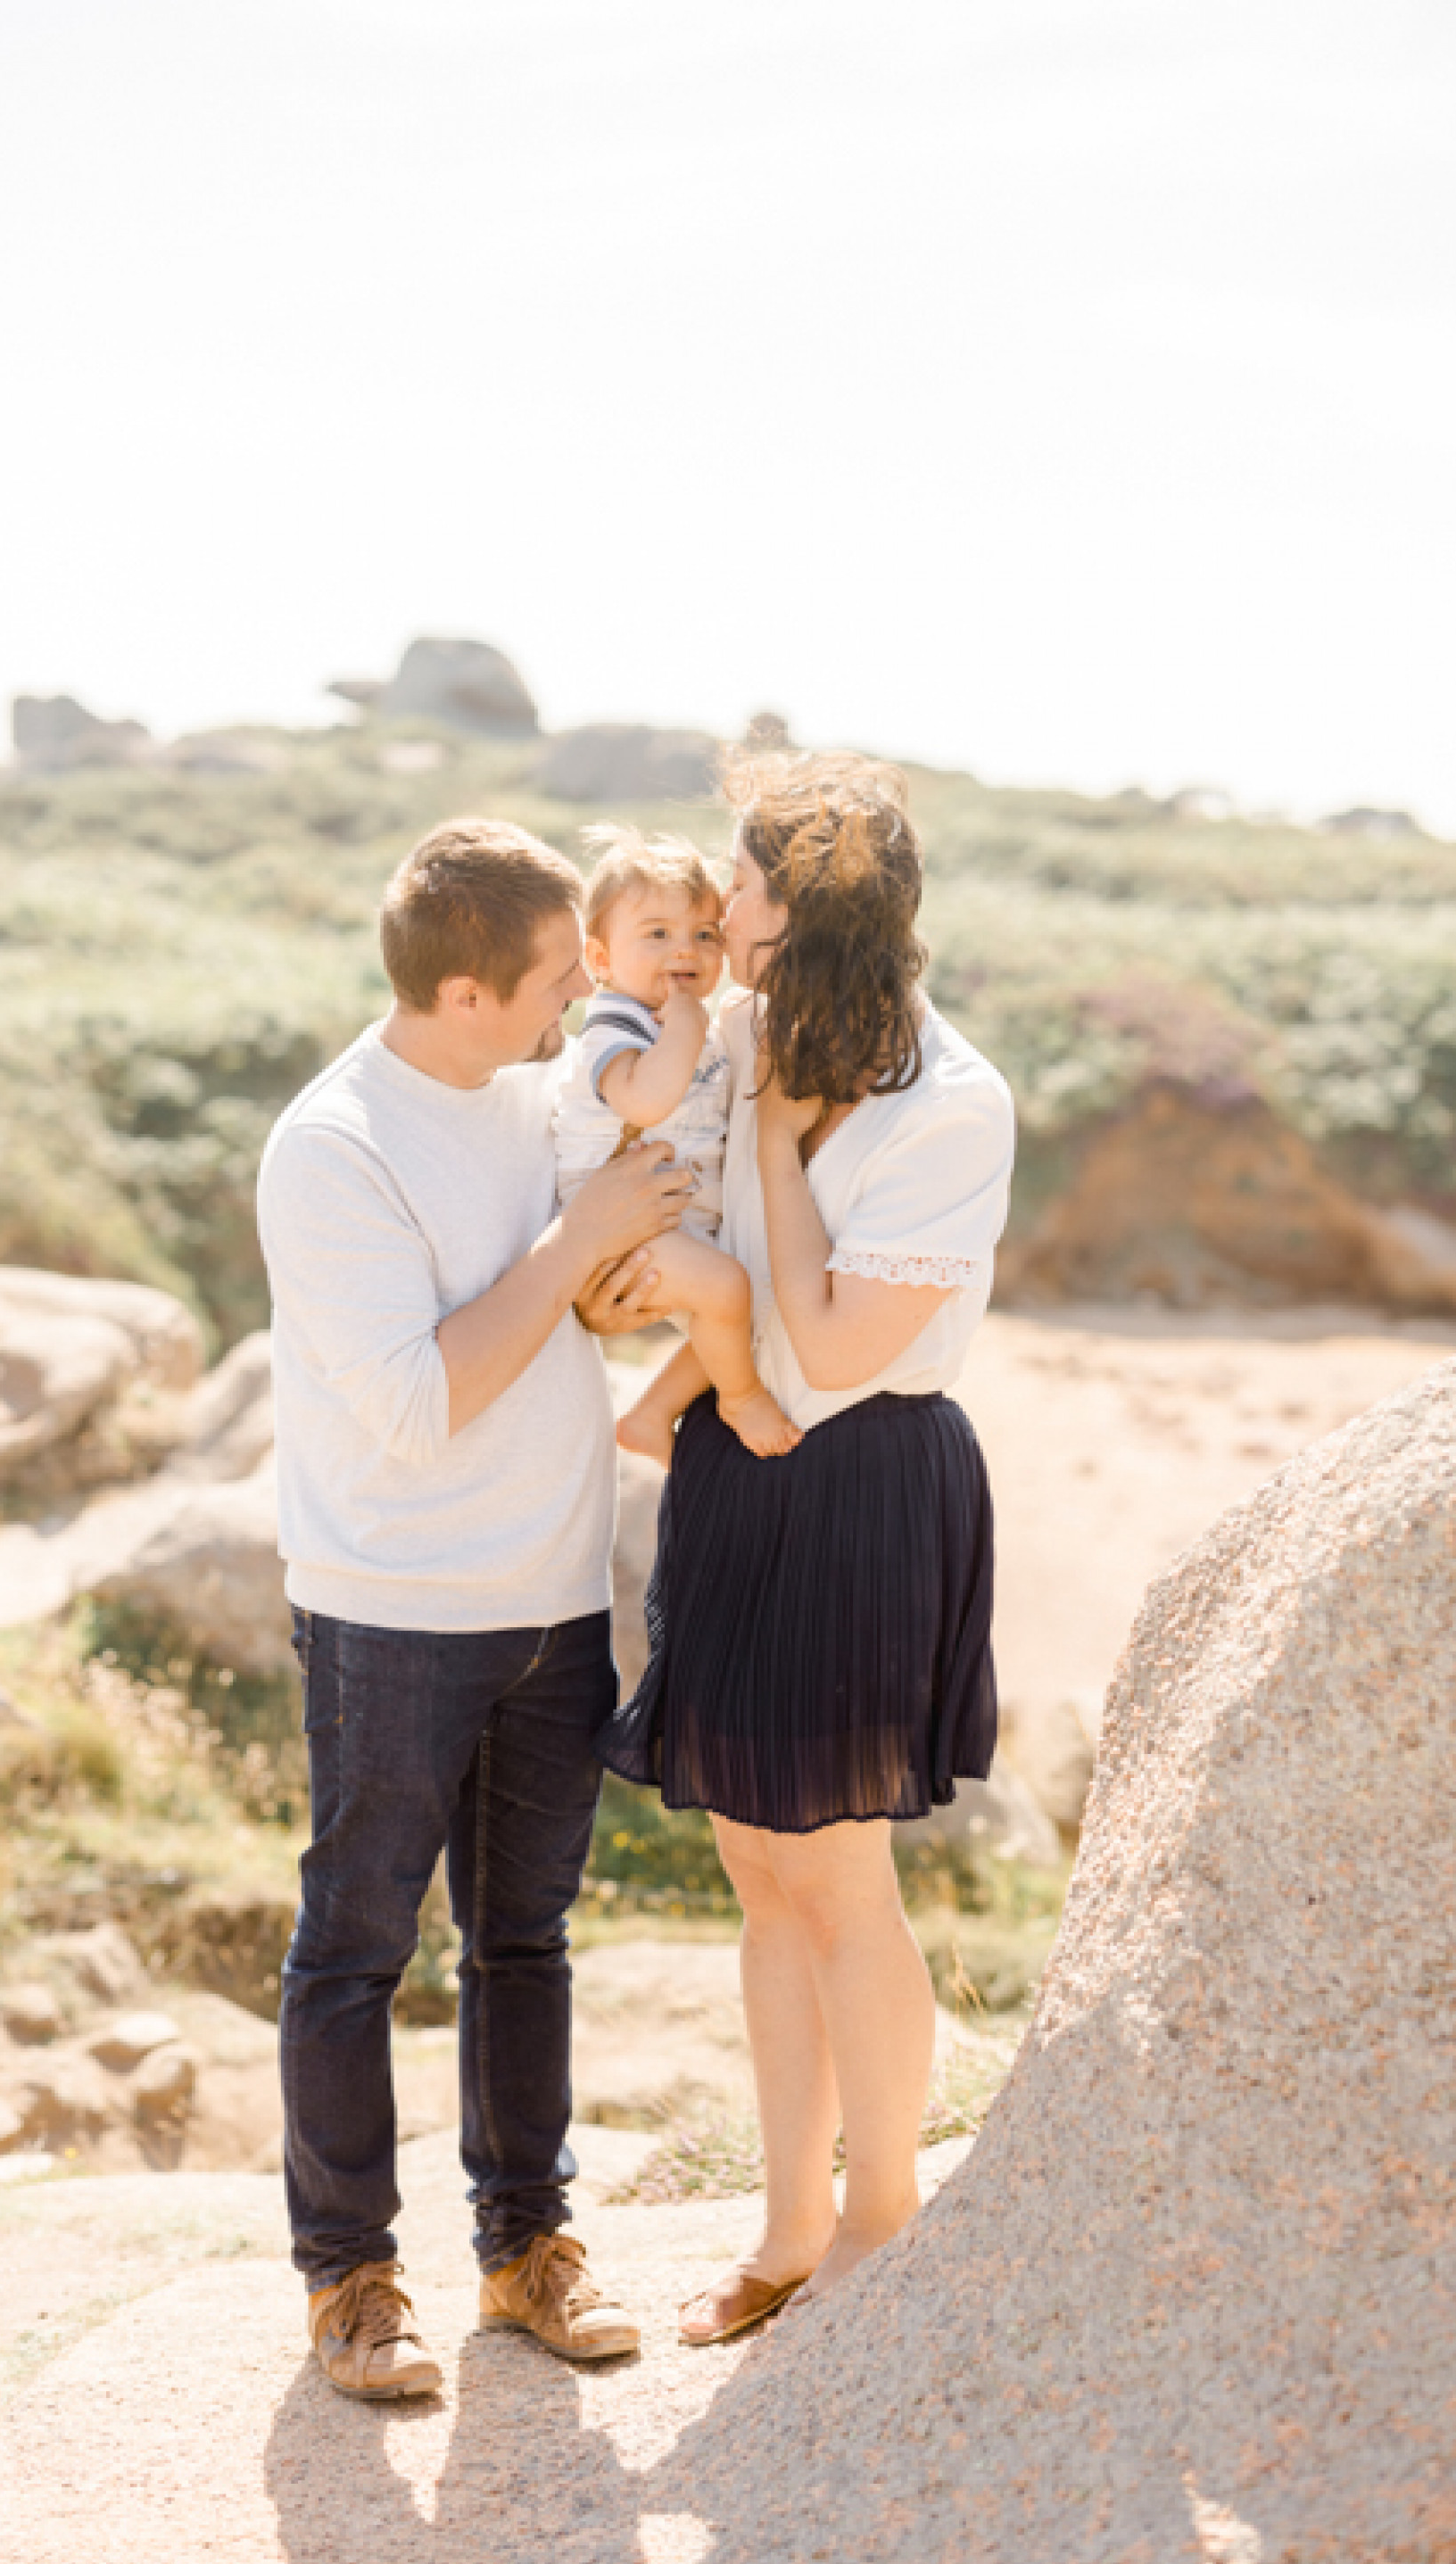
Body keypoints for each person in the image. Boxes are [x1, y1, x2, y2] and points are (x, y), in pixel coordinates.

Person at [257, 816, 694, 2402]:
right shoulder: (335, 1148)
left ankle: (526, 2251)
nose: (582, 999)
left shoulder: (540, 1098)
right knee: (358, 1947)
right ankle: (354, 2285)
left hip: (554, 1598)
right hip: (390, 1614)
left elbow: (606, 1273)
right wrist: (581, 1245)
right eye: (553, 979)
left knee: (526, 1940)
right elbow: (417, 1398)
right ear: (458, 990)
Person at [600, 749, 1016, 2345]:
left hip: (860, 1479)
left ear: (812, 913)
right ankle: (785, 2226)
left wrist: (772, 1149)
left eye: (747, 884)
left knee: (839, 1876)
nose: (720, 905)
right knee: (758, 1870)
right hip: (736, 1457)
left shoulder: (950, 1098)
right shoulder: (756, 1039)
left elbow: (837, 1347)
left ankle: (881, 2214)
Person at [552, 825, 799, 1460]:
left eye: (703, 934)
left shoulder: (698, 1022)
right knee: (725, 1292)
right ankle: (740, 1400)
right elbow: (644, 1101)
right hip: (623, 1223)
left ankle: (652, 1413)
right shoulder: (618, 1020)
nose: (682, 950)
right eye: (656, 934)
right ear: (601, 960)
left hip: (674, 1215)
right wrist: (687, 1026)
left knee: (748, 1306)